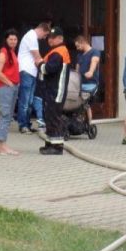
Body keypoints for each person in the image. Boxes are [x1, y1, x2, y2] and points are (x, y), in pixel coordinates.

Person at [35, 27, 70, 155]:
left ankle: (56, 147)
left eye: (53, 38)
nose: (50, 40)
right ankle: (50, 143)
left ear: (60, 39)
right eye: (49, 37)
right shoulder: (56, 51)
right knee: (49, 117)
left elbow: (49, 69)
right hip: (51, 90)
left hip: (55, 91)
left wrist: (39, 64)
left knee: (53, 117)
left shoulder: (58, 52)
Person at [17, 23, 51, 134]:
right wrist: (47, 67)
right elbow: (37, 57)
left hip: (31, 72)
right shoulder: (31, 37)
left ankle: (27, 124)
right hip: (26, 71)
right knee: (25, 100)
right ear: (42, 30)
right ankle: (23, 125)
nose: (44, 38)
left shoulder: (31, 37)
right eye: (45, 35)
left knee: (30, 101)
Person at [0, 29, 21, 155]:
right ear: (6, 40)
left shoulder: (12, 52)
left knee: (8, 116)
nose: (13, 41)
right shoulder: (3, 53)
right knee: (5, 115)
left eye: (15, 39)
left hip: (13, 87)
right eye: (10, 39)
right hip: (5, 87)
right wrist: (9, 82)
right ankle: (1, 146)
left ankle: (3, 144)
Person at [74, 36, 101, 124]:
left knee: (85, 102)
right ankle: (78, 121)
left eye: (78, 46)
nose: (77, 48)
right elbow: (77, 69)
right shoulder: (79, 55)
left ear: (83, 42)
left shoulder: (94, 52)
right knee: (77, 101)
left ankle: (89, 123)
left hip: (90, 83)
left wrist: (90, 71)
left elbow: (94, 61)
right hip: (80, 84)